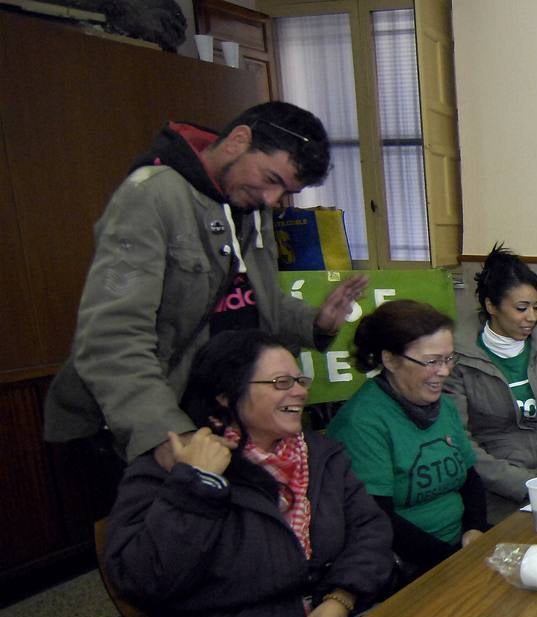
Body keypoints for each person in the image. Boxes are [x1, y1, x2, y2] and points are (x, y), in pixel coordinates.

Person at [104, 330, 392, 617]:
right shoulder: (172, 463)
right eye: (281, 383)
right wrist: (197, 484)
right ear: (225, 395)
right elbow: (144, 577)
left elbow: (370, 529)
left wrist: (341, 597)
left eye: (300, 381)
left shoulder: (320, 454)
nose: (298, 392)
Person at [45, 101, 370, 465]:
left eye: (285, 192)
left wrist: (316, 322)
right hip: (154, 423)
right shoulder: (153, 195)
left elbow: (256, 303)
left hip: (225, 420)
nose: (272, 200)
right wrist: (165, 433)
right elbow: (112, 337)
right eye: (271, 180)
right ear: (238, 140)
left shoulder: (249, 204)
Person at [327, 300, 488, 582]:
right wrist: (452, 561)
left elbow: (470, 478)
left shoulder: (444, 407)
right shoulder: (362, 422)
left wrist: (474, 530)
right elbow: (377, 518)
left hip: (459, 549)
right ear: (389, 360)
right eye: (431, 361)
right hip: (408, 565)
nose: (444, 371)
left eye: (449, 359)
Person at [447, 244, 537, 523]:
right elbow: (460, 441)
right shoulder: (458, 357)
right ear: (491, 306)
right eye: (521, 308)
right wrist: (528, 484)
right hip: (501, 486)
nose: (532, 317)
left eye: (536, 307)